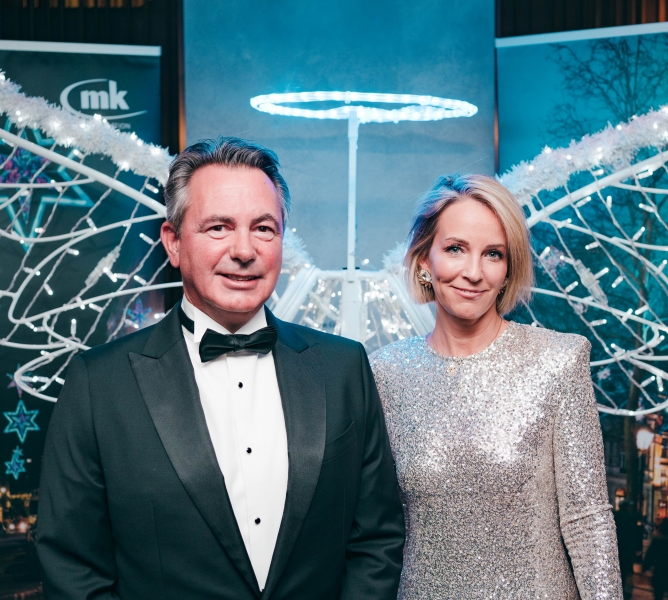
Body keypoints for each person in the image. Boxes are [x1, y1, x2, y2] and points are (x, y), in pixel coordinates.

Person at [37, 137, 405, 599]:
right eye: (218, 227)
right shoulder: (99, 385)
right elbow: (72, 567)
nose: (244, 250)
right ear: (173, 242)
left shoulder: (343, 368)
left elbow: (376, 538)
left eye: (264, 228)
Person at [370, 174, 623, 599]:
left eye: (493, 254)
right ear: (424, 260)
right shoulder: (384, 372)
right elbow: (373, 527)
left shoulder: (558, 361)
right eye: (455, 249)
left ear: (508, 270)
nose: (473, 272)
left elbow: (587, 520)